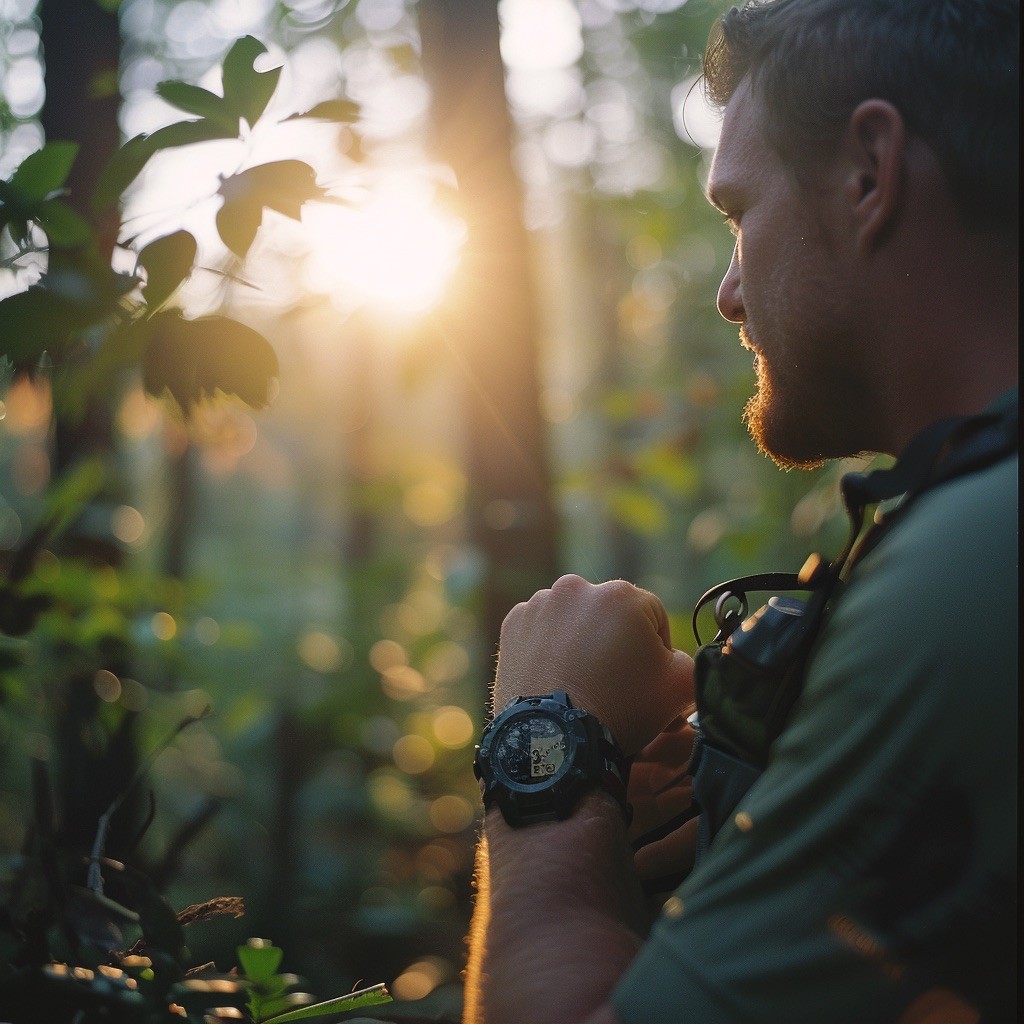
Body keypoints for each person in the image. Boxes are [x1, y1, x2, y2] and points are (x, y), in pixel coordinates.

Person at [461, 1, 1019, 1022]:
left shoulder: (977, 560)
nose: (726, 292)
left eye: (737, 212)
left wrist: (546, 748)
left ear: (867, 174)